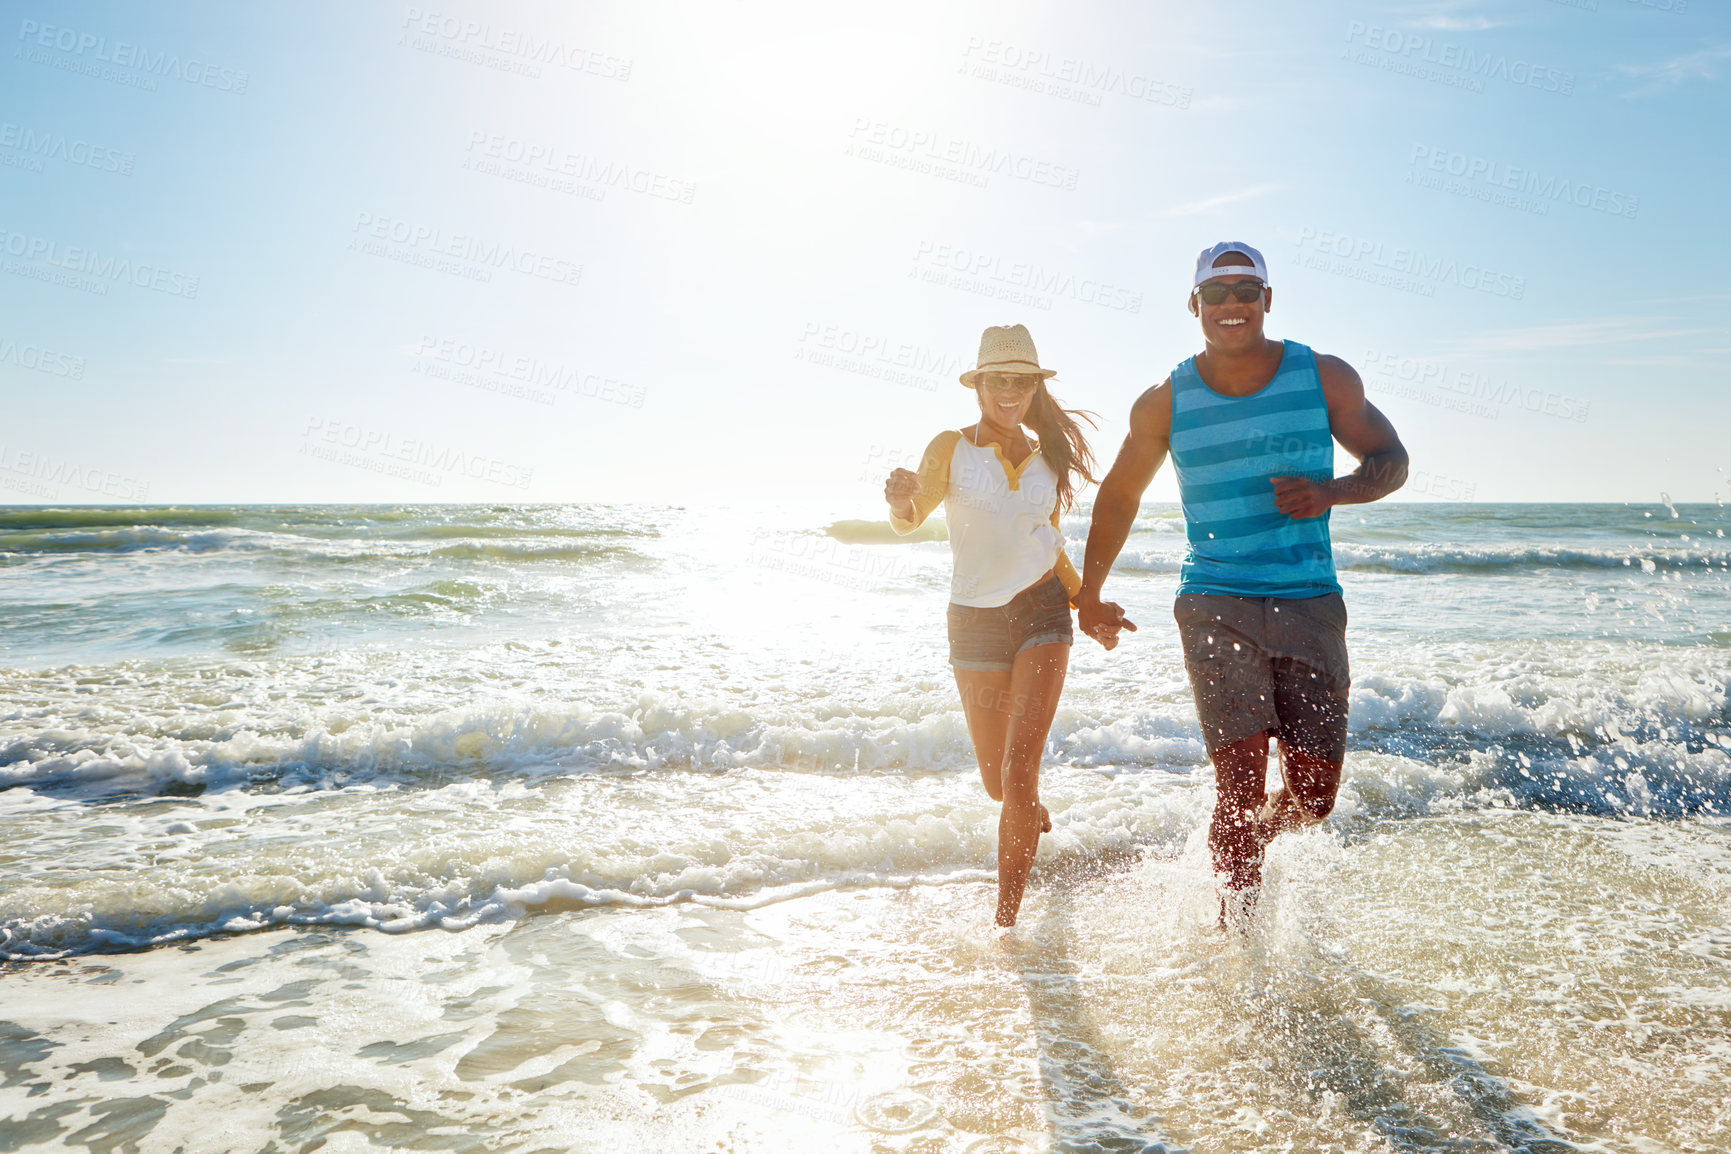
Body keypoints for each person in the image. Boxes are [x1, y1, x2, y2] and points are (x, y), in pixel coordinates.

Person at [1075, 242, 1409, 926]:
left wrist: (1330, 492)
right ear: (1195, 305)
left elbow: (1390, 459)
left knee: (1313, 800)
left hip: (1309, 599)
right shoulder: (1165, 401)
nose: (1231, 304)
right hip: (1213, 600)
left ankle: (1255, 837)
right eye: (1217, 293)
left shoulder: (1322, 377)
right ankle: (1238, 946)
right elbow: (1118, 496)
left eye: (1244, 290)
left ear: (1266, 299)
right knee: (1236, 788)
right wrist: (1089, 593)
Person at [884, 323, 1097, 927]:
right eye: (998, 380)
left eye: (1021, 382)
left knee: (1018, 768)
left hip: (1043, 612)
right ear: (978, 386)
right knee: (998, 785)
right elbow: (911, 516)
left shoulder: (1047, 456)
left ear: (1033, 388)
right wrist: (900, 501)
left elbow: (1047, 543)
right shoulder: (949, 447)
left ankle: (1006, 924)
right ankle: (1028, 811)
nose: (1009, 392)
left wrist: (1086, 602)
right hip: (973, 622)